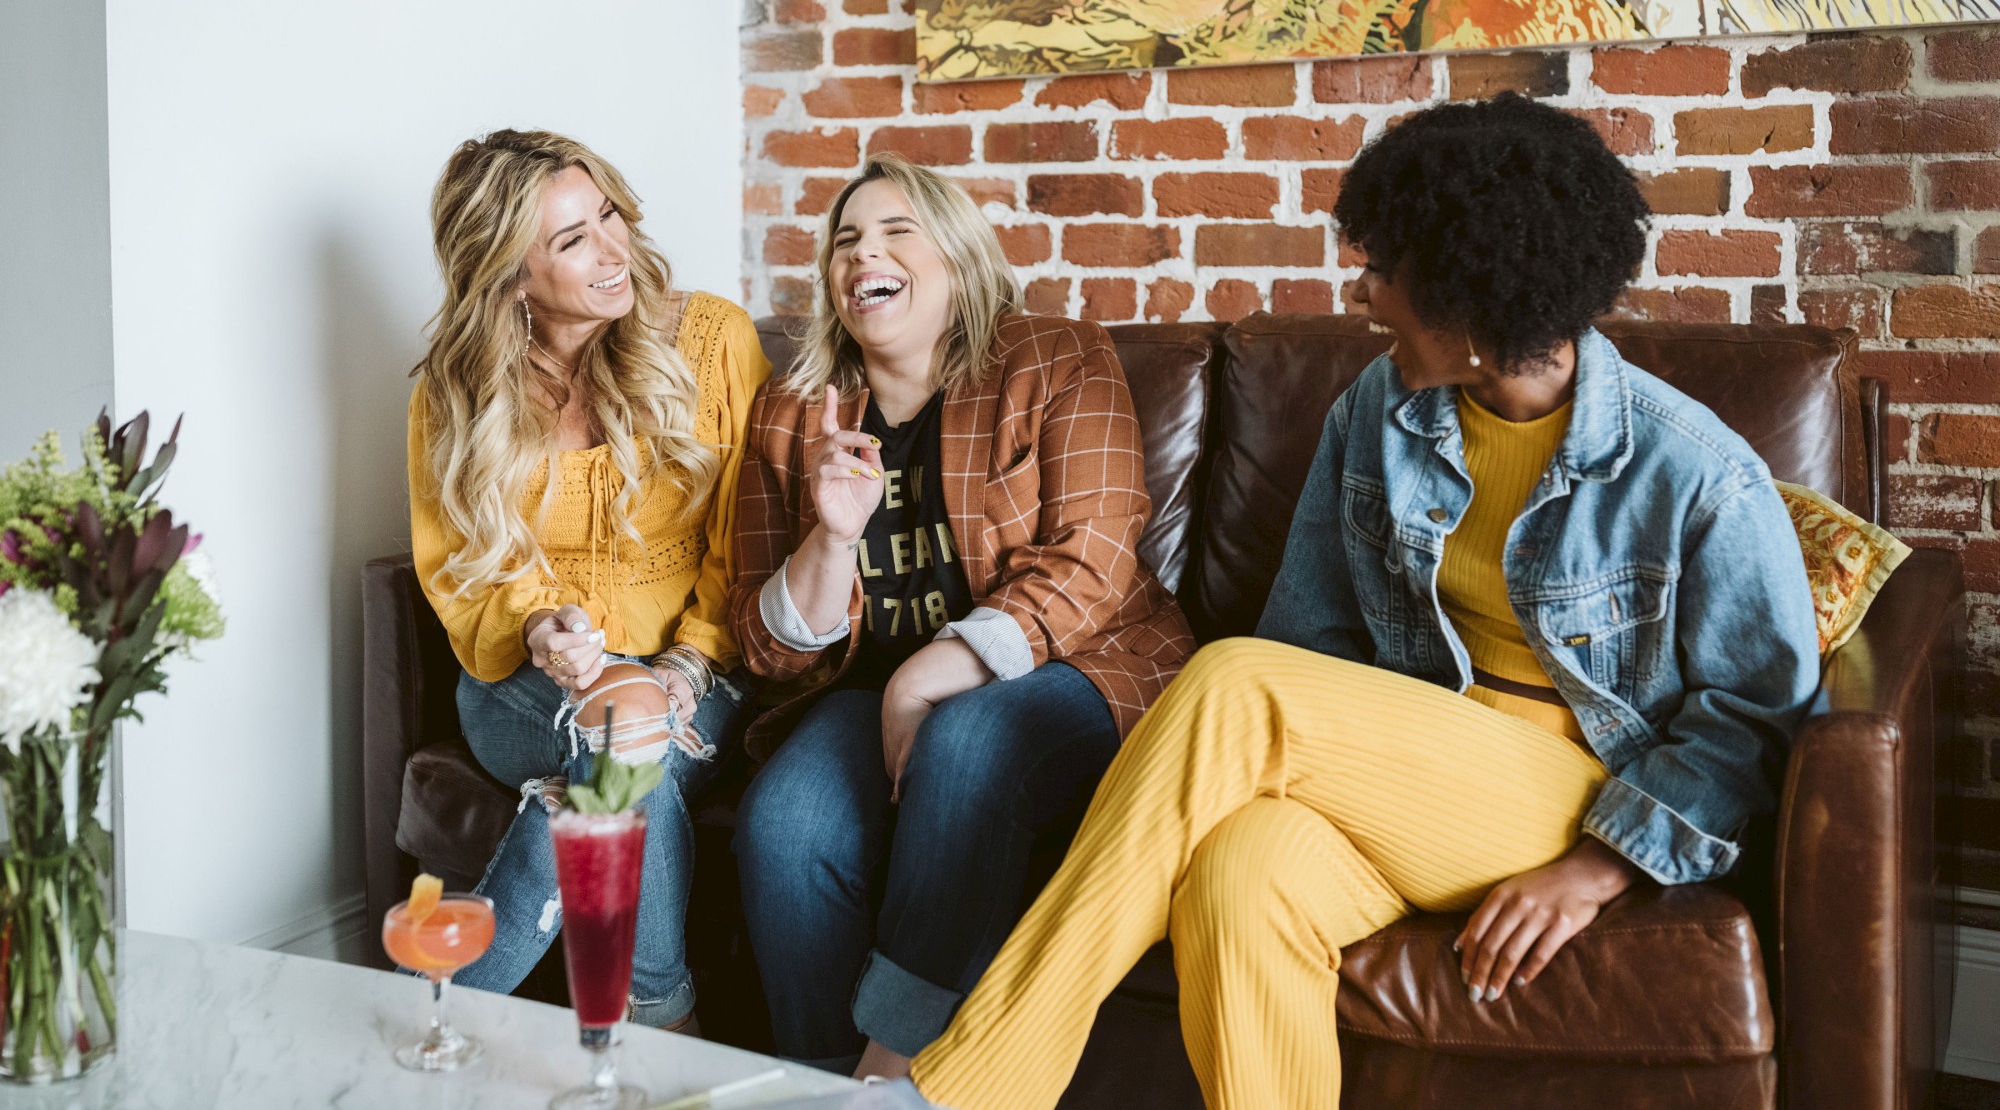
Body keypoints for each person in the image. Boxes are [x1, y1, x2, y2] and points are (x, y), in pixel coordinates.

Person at [908, 94, 1822, 1110]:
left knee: (1231, 681)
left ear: (1469, 301)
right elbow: (1312, 641)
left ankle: (977, 1084)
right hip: (1410, 780)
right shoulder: (1377, 413)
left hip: (1570, 792)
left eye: (1384, 268)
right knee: (1237, 877)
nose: (1363, 291)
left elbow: (1752, 721)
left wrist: (1599, 867)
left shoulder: (1692, 471)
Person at [726, 154, 1195, 1080]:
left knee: (969, 740)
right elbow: (764, 643)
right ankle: (822, 1081)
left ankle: (891, 1073)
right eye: (846, 240)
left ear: (961, 258)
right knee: (783, 823)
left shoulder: (1058, 355)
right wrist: (829, 537)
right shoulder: (789, 412)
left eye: (898, 230)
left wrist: (927, 673)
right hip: (867, 690)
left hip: (1082, 666)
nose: (867, 252)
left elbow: (1095, 558)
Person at [407, 128, 769, 1031]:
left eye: (607, 215)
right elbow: (458, 568)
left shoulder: (712, 339)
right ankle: (658, 1025)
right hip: (521, 681)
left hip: (699, 666)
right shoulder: (456, 390)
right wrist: (542, 628)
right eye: (572, 241)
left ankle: (435, 1027)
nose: (616, 252)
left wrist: (684, 665)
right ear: (510, 276)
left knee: (629, 733)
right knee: (627, 737)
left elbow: (747, 538)